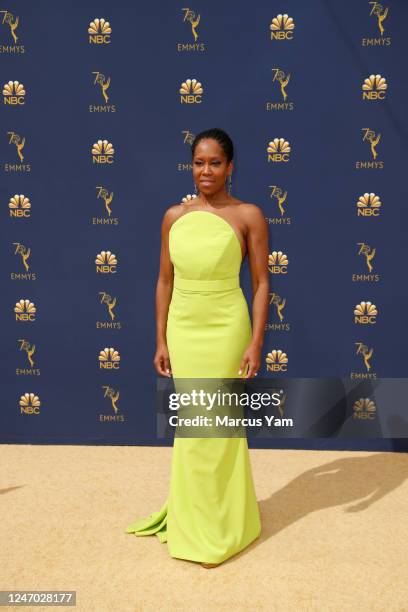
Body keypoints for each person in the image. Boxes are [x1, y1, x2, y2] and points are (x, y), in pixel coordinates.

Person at [125, 127, 269, 568]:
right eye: (199, 163)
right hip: (185, 327)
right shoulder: (174, 216)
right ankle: (191, 518)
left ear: (230, 167)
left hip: (227, 325)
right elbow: (165, 280)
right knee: (193, 427)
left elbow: (262, 283)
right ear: (191, 166)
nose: (205, 171)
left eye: (215, 163)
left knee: (219, 427)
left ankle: (227, 524)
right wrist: (160, 338)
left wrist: (255, 342)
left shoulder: (249, 215)